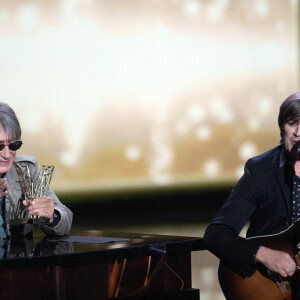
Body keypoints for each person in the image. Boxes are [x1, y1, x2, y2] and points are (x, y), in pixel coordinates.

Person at [203, 91, 300, 280]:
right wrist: (262, 254)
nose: (298, 132)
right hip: (270, 284)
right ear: (282, 130)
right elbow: (216, 234)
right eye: (291, 123)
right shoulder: (260, 170)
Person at [0, 102, 72, 238]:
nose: (7, 154)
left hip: (19, 256)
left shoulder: (27, 168)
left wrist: (52, 216)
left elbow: (65, 218)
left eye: (14, 145)